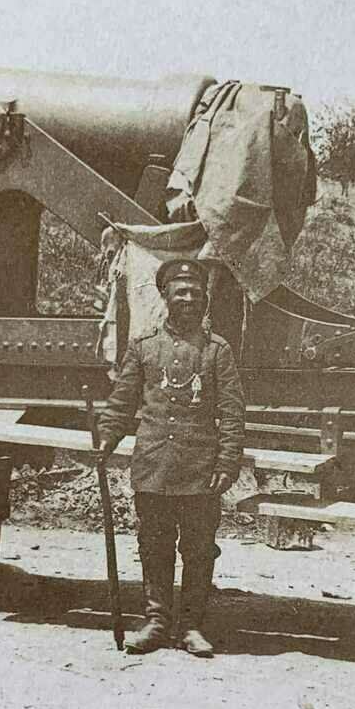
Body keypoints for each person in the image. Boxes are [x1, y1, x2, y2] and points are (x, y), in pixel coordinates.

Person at [98, 258, 245, 657]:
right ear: (165, 297)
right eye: (180, 292)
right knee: (154, 545)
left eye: (195, 293)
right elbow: (122, 402)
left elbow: (232, 413)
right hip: (154, 467)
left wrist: (227, 463)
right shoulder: (144, 347)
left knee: (198, 549)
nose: (188, 299)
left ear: (205, 300)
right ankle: (157, 622)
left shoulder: (218, 352)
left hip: (200, 471)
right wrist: (106, 438)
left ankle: (192, 626)